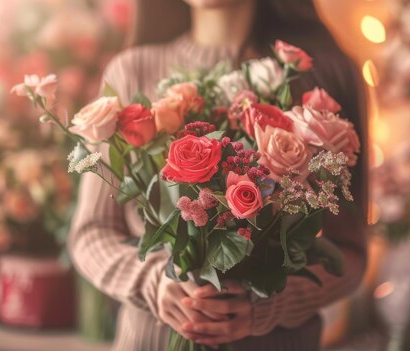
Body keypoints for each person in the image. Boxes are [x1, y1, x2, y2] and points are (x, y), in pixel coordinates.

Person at [69, 0, 368, 350]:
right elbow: (91, 233)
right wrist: (152, 283)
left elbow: (349, 253)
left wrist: (269, 304)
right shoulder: (132, 70)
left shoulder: (322, 76)